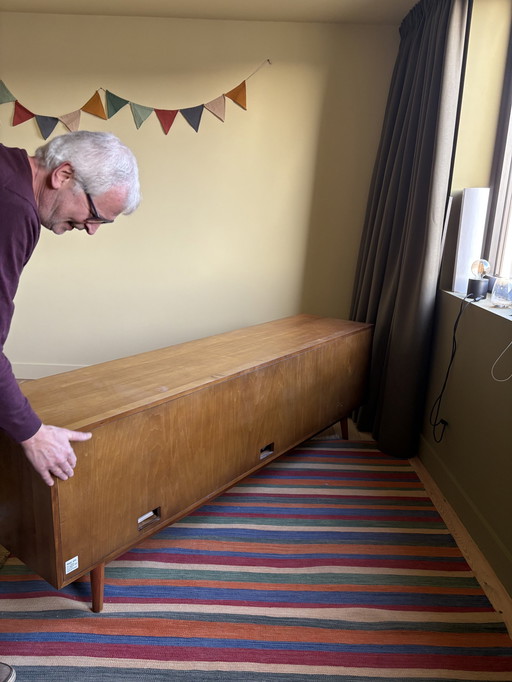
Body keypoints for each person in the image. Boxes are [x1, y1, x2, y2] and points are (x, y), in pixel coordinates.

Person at [0, 131, 140, 487]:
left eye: (102, 223)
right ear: (62, 175)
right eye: (95, 215)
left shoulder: (8, 166)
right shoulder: (13, 207)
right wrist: (32, 433)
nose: (91, 230)